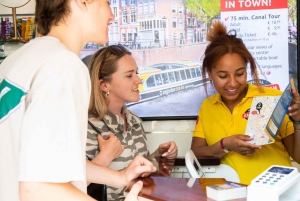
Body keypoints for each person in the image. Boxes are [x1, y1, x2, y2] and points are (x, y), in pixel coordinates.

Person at [0, 1, 155, 201]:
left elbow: (47, 164)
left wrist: (119, 178)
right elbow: (38, 189)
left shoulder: (17, 60)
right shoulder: (63, 65)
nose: (111, 15)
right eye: (107, 3)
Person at [191, 21, 300, 185]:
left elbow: (298, 157)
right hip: (228, 196)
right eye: (223, 76)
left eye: (240, 73)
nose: (233, 83)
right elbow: (196, 153)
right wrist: (225, 145)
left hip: (273, 194)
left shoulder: (272, 99)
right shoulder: (207, 107)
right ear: (209, 73)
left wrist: (298, 120)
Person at [86, 44, 178, 200]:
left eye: (137, 73)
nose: (139, 80)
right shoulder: (87, 126)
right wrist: (105, 157)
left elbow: (138, 172)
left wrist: (160, 156)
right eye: (129, 76)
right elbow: (72, 185)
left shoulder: (134, 120)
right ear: (104, 85)